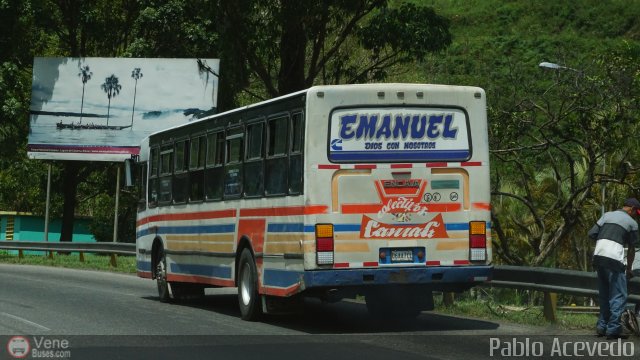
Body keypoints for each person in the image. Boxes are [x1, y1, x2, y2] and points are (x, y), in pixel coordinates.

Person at [588, 197, 639, 339]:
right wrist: (629, 268)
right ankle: (613, 330)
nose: (636, 215)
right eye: (636, 212)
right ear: (632, 209)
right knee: (618, 296)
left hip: (598, 258)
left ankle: (601, 327)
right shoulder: (632, 223)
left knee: (604, 294)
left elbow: (592, 234)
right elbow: (631, 249)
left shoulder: (607, 215)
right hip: (614, 260)